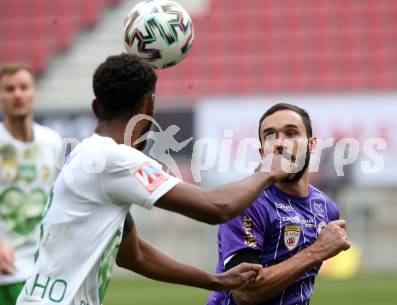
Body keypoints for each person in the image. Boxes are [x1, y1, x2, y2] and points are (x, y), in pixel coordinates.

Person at [16, 54, 296, 305]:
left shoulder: (87, 155)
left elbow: (133, 254)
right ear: (149, 105)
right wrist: (269, 171)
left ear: (96, 107)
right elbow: (217, 207)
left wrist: (216, 280)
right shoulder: (114, 159)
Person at [207, 103, 351, 305]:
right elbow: (246, 293)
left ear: (311, 145)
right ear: (261, 151)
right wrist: (317, 251)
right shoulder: (246, 203)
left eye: (291, 133)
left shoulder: (326, 208)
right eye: (270, 136)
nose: (280, 143)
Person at [0, 63, 62, 305]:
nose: (17, 94)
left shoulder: (52, 141)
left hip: (42, 268)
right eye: (9, 88)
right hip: (7, 270)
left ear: (34, 93)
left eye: (23, 87)